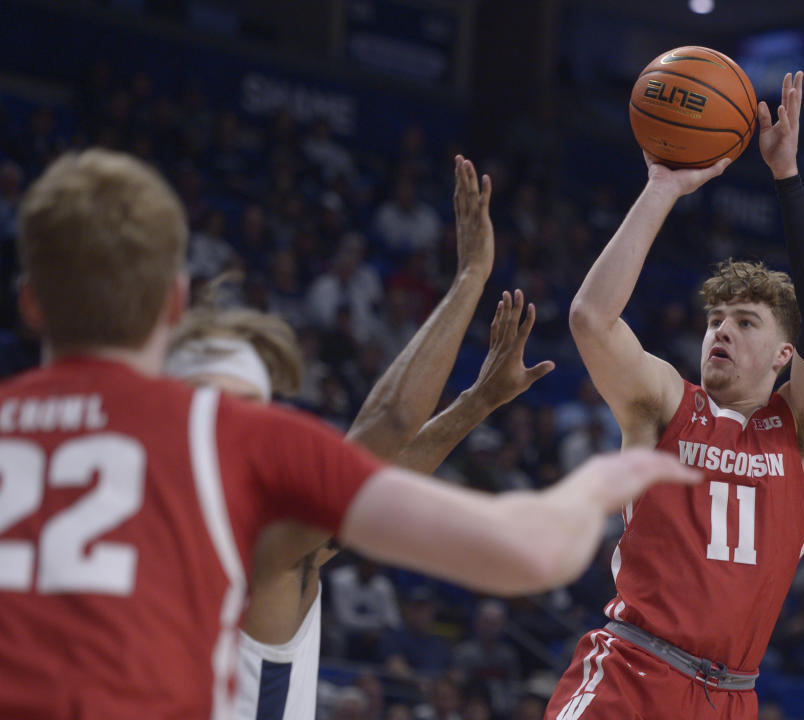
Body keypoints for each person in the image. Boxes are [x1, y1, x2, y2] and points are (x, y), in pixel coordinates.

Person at [0, 148, 699, 719]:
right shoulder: (226, 447)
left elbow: (366, 483)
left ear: (28, 302)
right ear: (173, 303)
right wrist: (602, 485)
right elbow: (504, 529)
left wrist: (474, 404)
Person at [166, 153, 561, 720]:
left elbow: (379, 484)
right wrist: (471, 275)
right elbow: (390, 425)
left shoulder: (182, 539)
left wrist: (477, 402)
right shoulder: (264, 549)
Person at [546, 71, 804, 720]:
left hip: (731, 698)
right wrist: (662, 188)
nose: (722, 331)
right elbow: (591, 319)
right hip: (633, 674)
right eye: (716, 319)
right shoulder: (665, 403)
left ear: (783, 355)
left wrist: (787, 179)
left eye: (745, 323)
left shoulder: (803, 432)